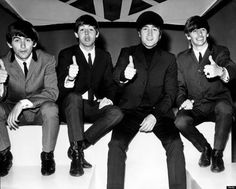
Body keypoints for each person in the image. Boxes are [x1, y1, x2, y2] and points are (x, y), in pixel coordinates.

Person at [107, 11, 186, 189]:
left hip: (159, 112)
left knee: (175, 144)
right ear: (139, 33)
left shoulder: (169, 59)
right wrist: (124, 75)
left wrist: (155, 116)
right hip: (129, 112)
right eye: (145, 29)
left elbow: (170, 93)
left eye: (154, 30)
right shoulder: (126, 53)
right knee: (115, 144)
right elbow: (116, 76)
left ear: (159, 35)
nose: (149, 34)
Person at [57, 14, 123, 177]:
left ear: (97, 33)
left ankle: (77, 147)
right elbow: (59, 89)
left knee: (116, 112)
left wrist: (108, 98)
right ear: (76, 34)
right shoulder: (66, 54)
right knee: (73, 97)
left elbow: (109, 84)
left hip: (93, 106)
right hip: (71, 107)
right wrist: (70, 78)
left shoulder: (104, 56)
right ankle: (77, 160)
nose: (86, 34)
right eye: (82, 30)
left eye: (91, 30)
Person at [175, 15, 236, 173]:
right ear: (188, 36)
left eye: (203, 30)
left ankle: (217, 154)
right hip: (197, 106)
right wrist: (183, 100)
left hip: (218, 103)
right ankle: (205, 148)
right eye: (194, 31)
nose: (199, 34)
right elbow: (179, 86)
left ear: (207, 33)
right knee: (180, 121)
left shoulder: (220, 51)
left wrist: (221, 71)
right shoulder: (181, 58)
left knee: (226, 108)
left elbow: (231, 67)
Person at [0, 20, 59, 177]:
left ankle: (47, 156)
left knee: (52, 108)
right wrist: (0, 83)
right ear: (9, 44)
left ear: (34, 43)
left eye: (27, 40)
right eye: (17, 40)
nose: (23, 45)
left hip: (39, 111)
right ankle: (4, 155)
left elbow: (52, 92)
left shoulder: (47, 60)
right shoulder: (2, 63)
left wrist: (22, 103)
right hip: (11, 113)